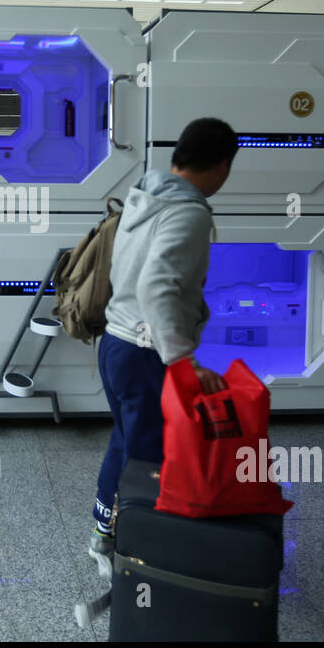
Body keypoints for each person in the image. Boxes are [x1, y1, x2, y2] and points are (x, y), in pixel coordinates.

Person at [88, 118, 237, 574]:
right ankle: (136, 552)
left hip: (116, 342)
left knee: (127, 441)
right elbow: (157, 286)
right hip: (144, 351)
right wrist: (182, 360)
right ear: (222, 166)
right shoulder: (188, 213)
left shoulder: (145, 195)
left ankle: (104, 532)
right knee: (147, 455)